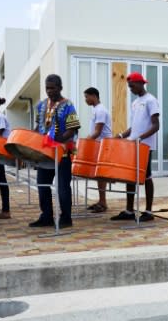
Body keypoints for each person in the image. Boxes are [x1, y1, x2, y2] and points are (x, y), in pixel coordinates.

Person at [29, 74, 80, 228]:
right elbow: (39, 126)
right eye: (47, 88)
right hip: (44, 154)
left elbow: (72, 130)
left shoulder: (68, 105)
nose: (49, 91)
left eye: (52, 88)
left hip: (62, 153)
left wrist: (58, 140)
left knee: (63, 187)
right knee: (42, 185)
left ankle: (66, 218)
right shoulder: (41, 105)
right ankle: (46, 216)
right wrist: (31, 139)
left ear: (60, 88)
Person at [110, 72, 160, 222]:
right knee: (130, 176)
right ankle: (129, 210)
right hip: (133, 144)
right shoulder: (135, 103)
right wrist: (120, 136)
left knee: (146, 176)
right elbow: (134, 127)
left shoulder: (151, 100)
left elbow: (156, 125)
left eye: (132, 86)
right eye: (129, 86)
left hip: (145, 145)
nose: (130, 89)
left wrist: (140, 138)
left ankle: (149, 212)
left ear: (140, 84)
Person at [84, 87, 112, 212]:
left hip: (103, 145)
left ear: (94, 96)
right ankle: (101, 201)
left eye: (86, 97)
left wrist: (85, 143)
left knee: (101, 175)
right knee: (98, 175)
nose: (85, 100)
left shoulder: (100, 110)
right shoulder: (96, 109)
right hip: (98, 145)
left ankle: (103, 203)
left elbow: (98, 131)